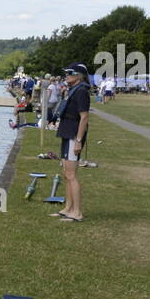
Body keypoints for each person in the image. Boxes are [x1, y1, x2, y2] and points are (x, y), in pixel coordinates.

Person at [53, 63, 91, 222]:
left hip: (74, 134)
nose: (66, 75)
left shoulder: (81, 91)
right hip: (66, 130)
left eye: (70, 73)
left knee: (71, 174)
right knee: (66, 173)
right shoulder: (72, 89)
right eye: (66, 72)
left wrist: (79, 141)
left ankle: (77, 212)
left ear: (79, 75)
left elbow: (84, 117)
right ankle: (68, 208)